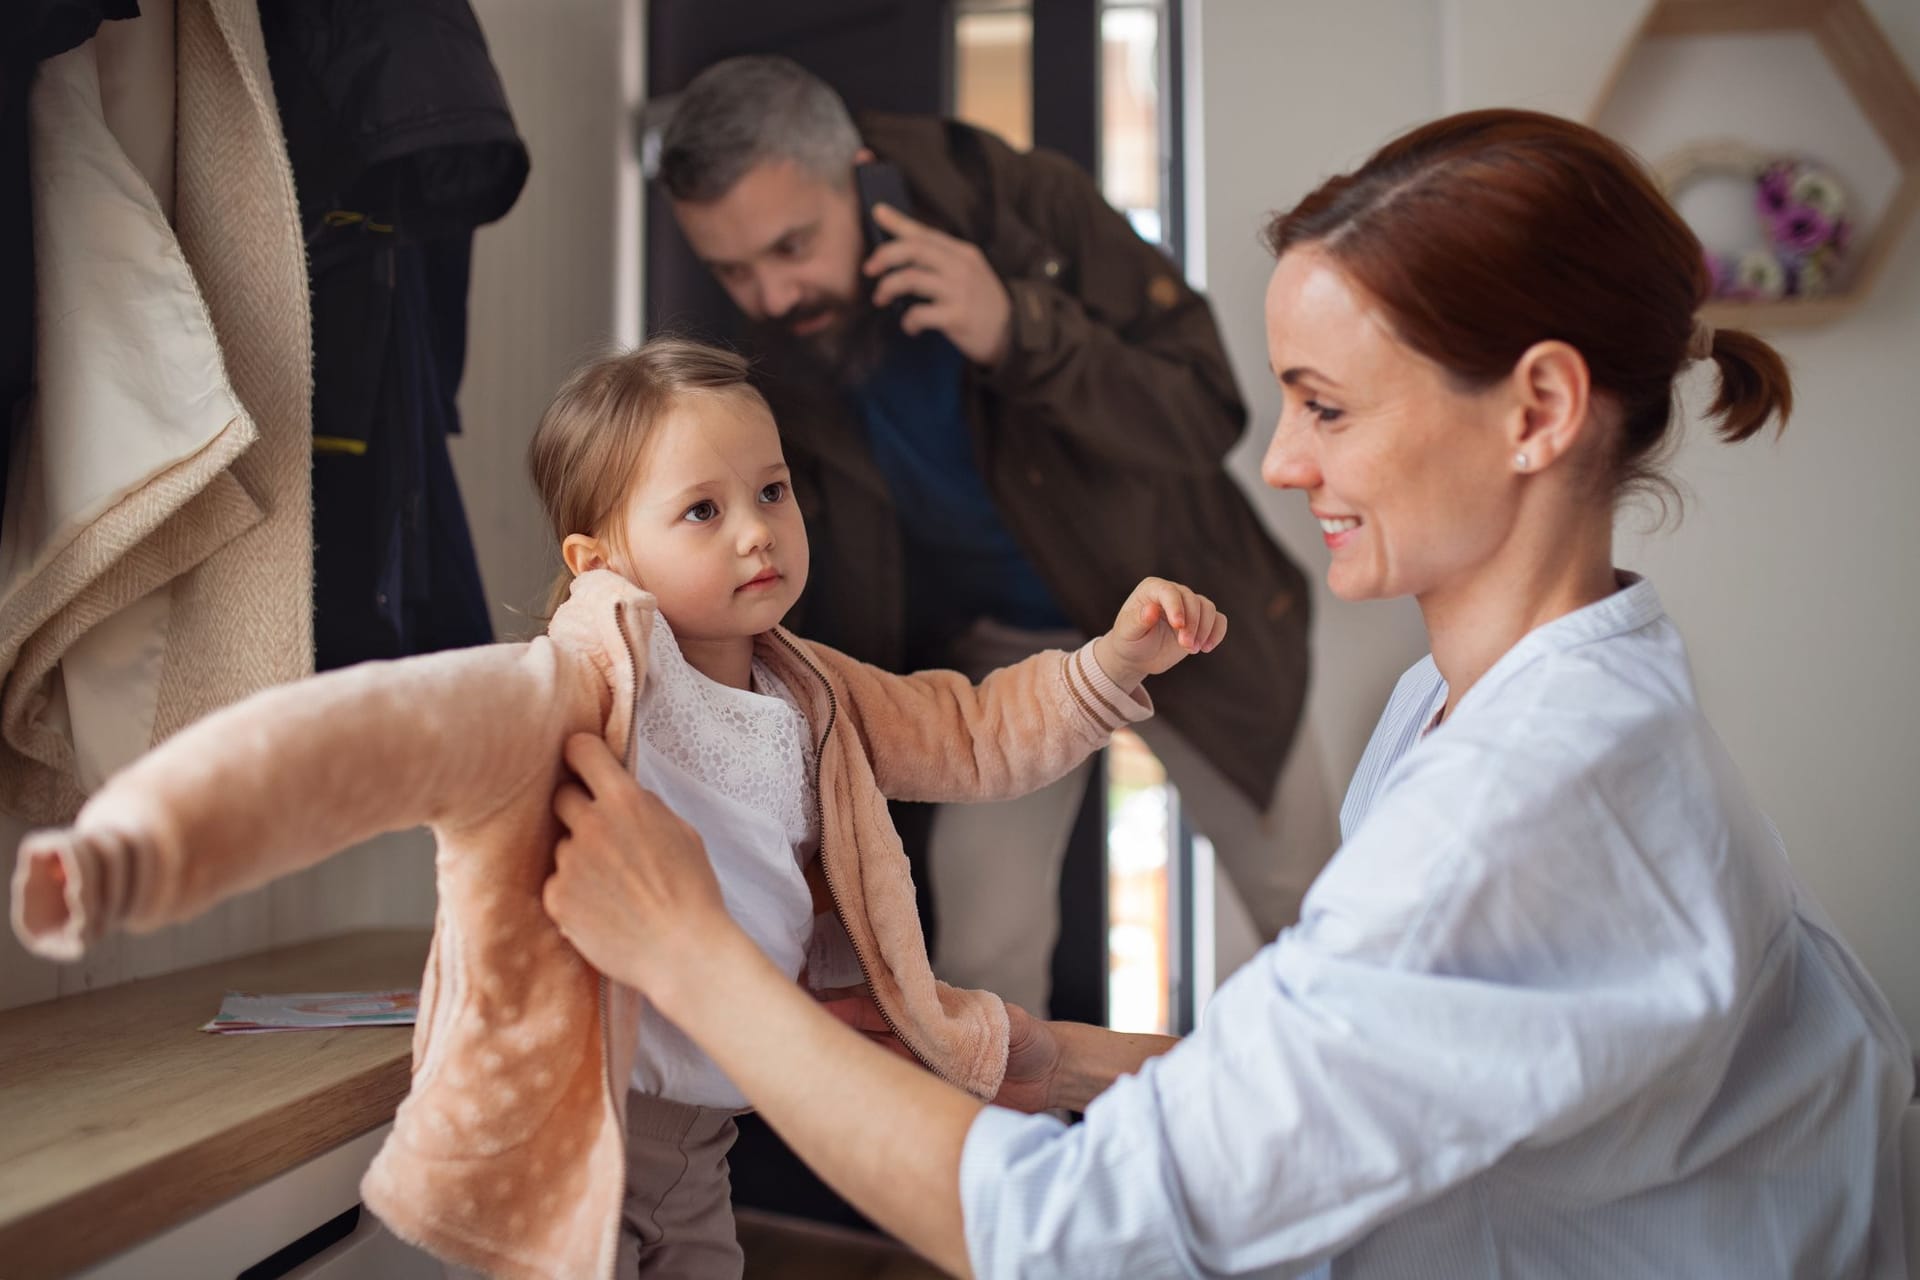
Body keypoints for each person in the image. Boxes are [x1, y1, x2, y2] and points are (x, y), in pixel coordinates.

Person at [542, 110, 1915, 1277]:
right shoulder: (1498, 701)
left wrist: (698, 966)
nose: (1282, 465)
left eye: (1326, 407)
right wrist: (1050, 1058)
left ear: (1539, 410)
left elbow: (1079, 1235)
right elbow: (1350, 1064)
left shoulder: (1519, 808)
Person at [10, 335, 1230, 1279]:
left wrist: (1104, 670)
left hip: (709, 1128)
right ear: (602, 559)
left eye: (773, 490)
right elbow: (353, 738)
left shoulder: (816, 689)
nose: (758, 532)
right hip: (584, 1113)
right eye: (704, 510)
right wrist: (137, 845)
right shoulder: (565, 691)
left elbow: (975, 732)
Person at [655, 55, 1334, 1015]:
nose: (769, 294)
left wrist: (1019, 327)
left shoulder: (1025, 203)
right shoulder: (761, 336)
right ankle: (1005, 1169)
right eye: (734, 268)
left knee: (1311, 911)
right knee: (980, 964)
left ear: (860, 167)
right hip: (993, 658)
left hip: (1186, 614)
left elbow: (1204, 408)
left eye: (792, 246)